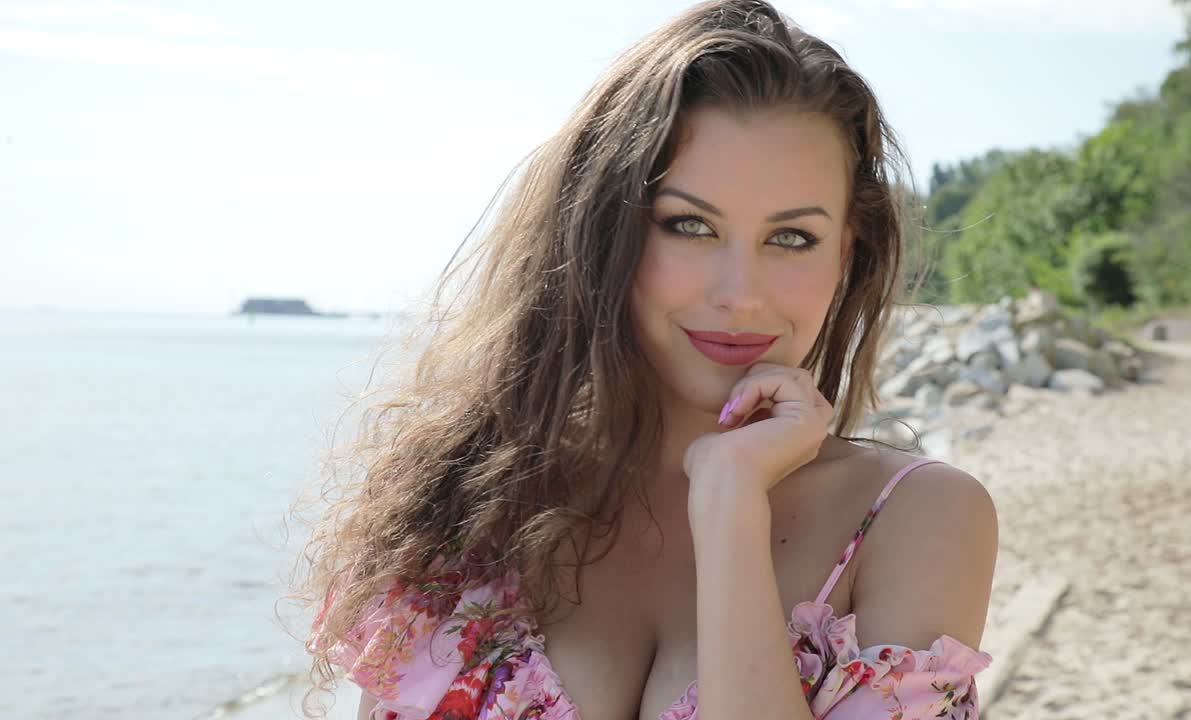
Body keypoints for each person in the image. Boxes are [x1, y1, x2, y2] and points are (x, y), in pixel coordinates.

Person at [293, 1, 999, 718]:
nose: (740, 295)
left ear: (845, 253)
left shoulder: (914, 519)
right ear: (602, 233)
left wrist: (728, 504)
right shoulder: (475, 499)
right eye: (688, 226)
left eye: (791, 239)